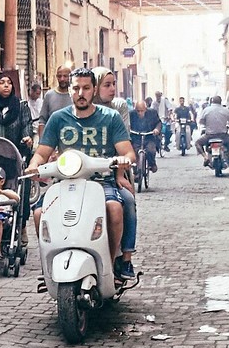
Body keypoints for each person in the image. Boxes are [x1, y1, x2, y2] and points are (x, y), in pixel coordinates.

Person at [25, 69, 135, 274]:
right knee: (40, 213)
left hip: (101, 182)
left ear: (94, 90)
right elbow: (42, 152)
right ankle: (49, 266)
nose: (81, 93)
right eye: (76, 88)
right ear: (70, 91)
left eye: (86, 88)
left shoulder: (111, 117)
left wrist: (122, 159)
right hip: (65, 183)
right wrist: (34, 165)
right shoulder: (58, 119)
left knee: (115, 209)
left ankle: (109, 266)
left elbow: (128, 152)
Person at [91, 67, 140, 276]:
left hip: (115, 168)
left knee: (127, 201)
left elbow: (123, 143)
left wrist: (119, 174)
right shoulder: (82, 108)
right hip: (86, 171)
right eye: (106, 85)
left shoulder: (118, 107)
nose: (112, 89)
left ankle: (126, 257)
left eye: (113, 84)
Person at [197, 95, 229, 166]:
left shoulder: (206, 110)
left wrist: (207, 124)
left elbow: (201, 121)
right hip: (222, 135)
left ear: (212, 101)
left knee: (198, 143)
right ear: (220, 102)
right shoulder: (225, 110)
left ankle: (205, 157)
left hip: (209, 136)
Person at [129, 99, 161, 174]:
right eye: (138, 111)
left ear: (146, 109)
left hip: (149, 137)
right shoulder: (131, 114)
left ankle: (152, 164)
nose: (140, 113)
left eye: (142, 110)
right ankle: (136, 171)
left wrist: (156, 129)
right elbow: (127, 124)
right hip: (136, 137)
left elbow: (158, 123)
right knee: (133, 153)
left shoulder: (152, 113)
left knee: (150, 150)